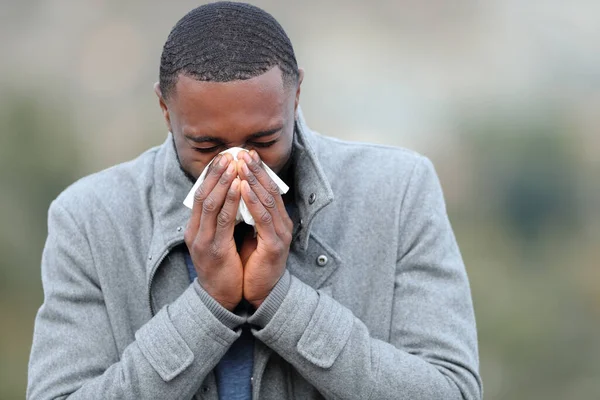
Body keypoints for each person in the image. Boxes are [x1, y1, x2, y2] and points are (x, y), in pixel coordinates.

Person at [27, 2, 482, 399]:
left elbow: (452, 390)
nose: (238, 165)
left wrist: (282, 302)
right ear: (165, 110)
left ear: (297, 93)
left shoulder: (397, 192)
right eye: (206, 146)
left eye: (263, 140)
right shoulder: (89, 218)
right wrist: (208, 305)